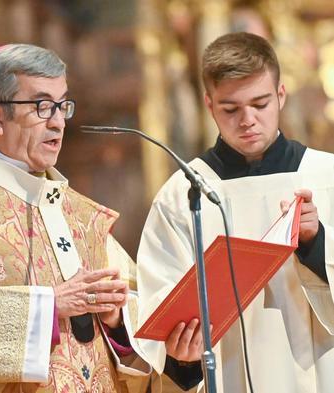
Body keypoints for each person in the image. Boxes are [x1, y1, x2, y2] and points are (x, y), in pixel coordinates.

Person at [0, 43, 153, 392]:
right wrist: (49, 306)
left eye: (63, 105)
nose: (58, 122)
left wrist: (116, 319)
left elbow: (138, 306)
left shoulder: (79, 213)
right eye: (42, 106)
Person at [136, 32, 334, 392]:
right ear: (209, 105)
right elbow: (161, 309)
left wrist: (316, 244)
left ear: (281, 96)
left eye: (260, 104)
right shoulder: (181, 195)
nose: (248, 120)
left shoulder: (327, 176)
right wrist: (182, 355)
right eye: (231, 109)